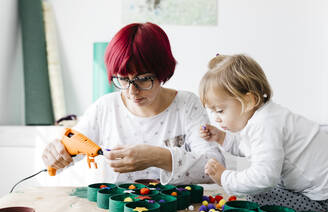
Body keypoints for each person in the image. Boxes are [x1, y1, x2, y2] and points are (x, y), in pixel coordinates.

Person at [42, 22, 223, 185]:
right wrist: (55, 153)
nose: (131, 91)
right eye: (122, 79)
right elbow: (67, 153)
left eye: (143, 79)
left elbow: (216, 167)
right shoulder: (105, 107)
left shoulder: (187, 105)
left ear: (162, 72)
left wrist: (159, 157)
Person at [199, 54, 328, 212]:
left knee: (254, 194)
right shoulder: (266, 115)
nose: (216, 118)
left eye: (220, 110)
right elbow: (252, 147)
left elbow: (263, 178)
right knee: (260, 186)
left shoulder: (265, 124)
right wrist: (221, 138)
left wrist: (225, 177)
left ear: (249, 101)